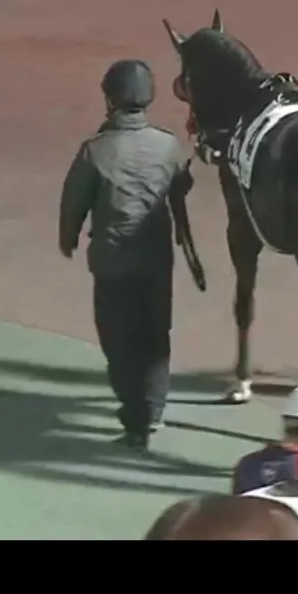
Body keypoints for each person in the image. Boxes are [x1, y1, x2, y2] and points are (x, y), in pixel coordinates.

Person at [59, 59, 198, 451]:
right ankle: (153, 410)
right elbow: (179, 186)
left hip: (113, 261)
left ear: (110, 99)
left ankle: (135, 416)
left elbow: (74, 201)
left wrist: (68, 238)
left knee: (118, 340)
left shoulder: (95, 150)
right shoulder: (168, 145)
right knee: (155, 334)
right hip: (156, 259)